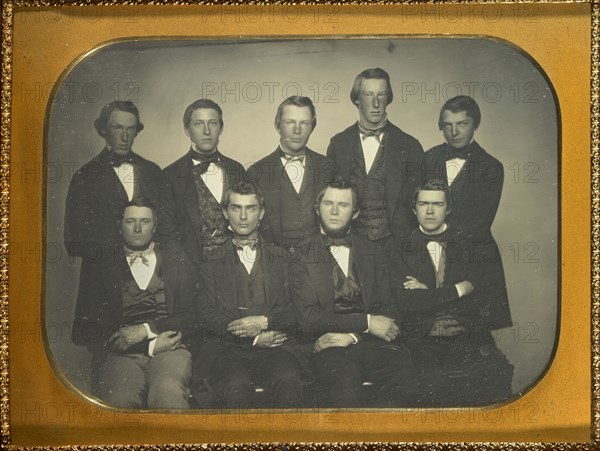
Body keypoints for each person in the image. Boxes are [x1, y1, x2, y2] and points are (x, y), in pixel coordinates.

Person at [288, 176, 417, 407]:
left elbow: (390, 306)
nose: (335, 211)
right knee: (345, 387)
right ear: (318, 209)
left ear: (355, 213)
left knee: (403, 379)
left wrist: (353, 335)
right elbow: (308, 319)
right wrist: (368, 321)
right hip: (327, 345)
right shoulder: (301, 255)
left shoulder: (373, 250)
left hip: (370, 342)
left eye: (343, 205)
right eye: (329, 204)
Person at [390, 180, 513, 405]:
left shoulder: (470, 245)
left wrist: (429, 293)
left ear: (448, 208)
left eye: (437, 204)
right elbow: (407, 302)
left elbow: (480, 297)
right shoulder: (399, 248)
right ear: (413, 208)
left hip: (467, 332)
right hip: (422, 337)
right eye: (423, 203)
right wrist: (458, 289)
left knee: (497, 373)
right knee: (431, 383)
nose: (429, 211)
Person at [71, 198, 196, 409]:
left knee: (168, 392)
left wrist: (148, 330)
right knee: (121, 399)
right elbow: (85, 330)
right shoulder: (99, 264)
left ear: (155, 226)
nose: (137, 229)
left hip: (170, 349)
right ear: (119, 226)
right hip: (120, 356)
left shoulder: (177, 259)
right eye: (130, 221)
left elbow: (193, 316)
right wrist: (149, 346)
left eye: (145, 222)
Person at [195, 181, 305, 408]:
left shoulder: (284, 257)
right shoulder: (211, 261)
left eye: (251, 208)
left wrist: (266, 321)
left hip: (276, 345)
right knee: (236, 386)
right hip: (228, 350)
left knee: (289, 380)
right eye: (236, 208)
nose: (243, 216)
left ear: (262, 213)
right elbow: (206, 314)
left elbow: (301, 309)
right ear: (225, 213)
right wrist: (253, 337)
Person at [424, 95, 511, 329]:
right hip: (430, 254)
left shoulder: (491, 167)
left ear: (475, 125)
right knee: (430, 330)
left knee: (471, 334)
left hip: (473, 258)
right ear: (441, 126)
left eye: (462, 123)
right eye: (447, 125)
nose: (454, 131)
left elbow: (479, 223)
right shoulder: (427, 158)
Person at [326, 68, 424, 250]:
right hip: (351, 247)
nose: (376, 103)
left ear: (388, 98)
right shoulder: (338, 144)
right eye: (368, 95)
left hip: (398, 248)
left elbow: (420, 204)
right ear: (356, 99)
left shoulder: (410, 146)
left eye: (381, 95)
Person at [64, 100, 162, 261]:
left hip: (149, 275)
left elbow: (166, 228)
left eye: (130, 129)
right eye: (117, 128)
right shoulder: (84, 177)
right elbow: (73, 241)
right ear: (103, 129)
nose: (125, 137)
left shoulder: (153, 172)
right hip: (103, 278)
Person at [159, 99, 246, 268]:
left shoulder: (237, 169)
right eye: (198, 124)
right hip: (192, 272)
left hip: (236, 267)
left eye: (212, 123)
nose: (206, 131)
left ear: (221, 128)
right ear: (187, 130)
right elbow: (167, 234)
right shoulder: (170, 176)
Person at [247, 96, 336, 251]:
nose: (297, 130)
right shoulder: (256, 172)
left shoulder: (328, 167)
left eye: (304, 123)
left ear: (312, 127)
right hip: (274, 263)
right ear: (277, 126)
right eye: (290, 122)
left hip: (319, 262)